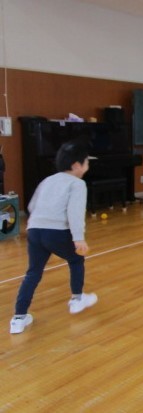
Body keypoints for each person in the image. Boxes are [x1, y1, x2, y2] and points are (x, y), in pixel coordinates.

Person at [9, 140, 98, 334]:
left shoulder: (47, 180)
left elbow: (31, 206)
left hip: (34, 231)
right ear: (77, 165)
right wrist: (79, 238)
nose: (88, 165)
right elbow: (75, 213)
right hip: (55, 232)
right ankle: (77, 299)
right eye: (86, 162)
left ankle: (18, 318)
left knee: (33, 272)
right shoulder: (77, 184)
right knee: (76, 259)